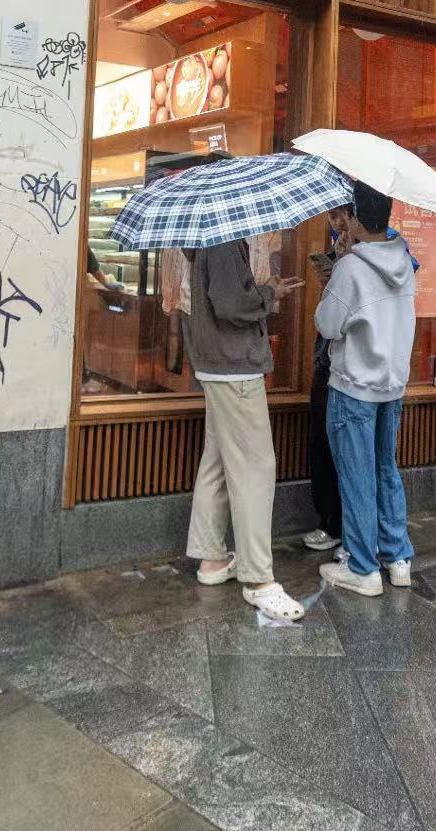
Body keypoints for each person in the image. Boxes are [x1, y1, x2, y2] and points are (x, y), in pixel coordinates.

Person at [183, 227, 306, 622]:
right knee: (256, 467)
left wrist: (265, 290)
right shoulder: (222, 238)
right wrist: (269, 293)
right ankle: (258, 580)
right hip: (234, 366)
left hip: (216, 364)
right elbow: (232, 304)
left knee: (218, 461)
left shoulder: (206, 237)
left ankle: (212, 559)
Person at [314, 182, 416, 597]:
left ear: (355, 218)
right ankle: (398, 557)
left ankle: (362, 568)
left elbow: (327, 324)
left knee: (356, 475)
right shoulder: (404, 259)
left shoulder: (351, 268)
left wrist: (338, 268)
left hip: (354, 387)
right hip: (392, 385)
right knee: (385, 469)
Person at [301, 207, 353, 553]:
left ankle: (350, 529)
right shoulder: (339, 252)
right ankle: (330, 521)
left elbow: (335, 320)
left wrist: (344, 271)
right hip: (328, 360)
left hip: (351, 367)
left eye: (343, 215)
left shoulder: (378, 256)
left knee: (350, 450)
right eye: (332, 217)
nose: (338, 223)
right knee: (321, 442)